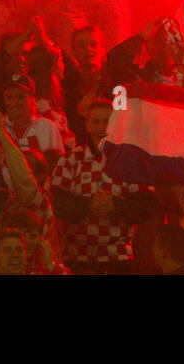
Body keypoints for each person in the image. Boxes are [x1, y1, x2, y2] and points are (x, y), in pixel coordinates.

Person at [50, 98, 157, 273]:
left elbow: (147, 205)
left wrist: (115, 206)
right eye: (96, 122)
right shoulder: (69, 160)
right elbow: (58, 203)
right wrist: (88, 205)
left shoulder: (132, 162)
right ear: (87, 125)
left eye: (107, 122)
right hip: (77, 258)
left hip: (119, 258)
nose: (101, 128)